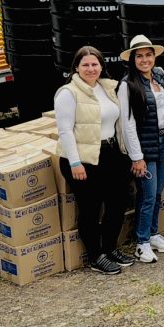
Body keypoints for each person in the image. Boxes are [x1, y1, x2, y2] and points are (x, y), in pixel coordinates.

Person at [54, 46, 131, 274]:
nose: (90, 68)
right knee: (90, 207)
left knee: (117, 203)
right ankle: (95, 256)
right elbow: (65, 131)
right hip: (83, 158)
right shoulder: (68, 93)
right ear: (76, 67)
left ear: (101, 66)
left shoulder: (108, 88)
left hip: (111, 152)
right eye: (85, 65)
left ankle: (109, 247)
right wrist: (75, 163)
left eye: (94, 64)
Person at [119, 35, 164, 264]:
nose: (145, 60)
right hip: (144, 147)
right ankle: (141, 243)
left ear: (154, 57)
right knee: (148, 195)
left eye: (148, 55)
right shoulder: (127, 85)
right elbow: (127, 123)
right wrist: (137, 157)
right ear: (132, 59)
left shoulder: (158, 77)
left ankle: (153, 233)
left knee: (158, 193)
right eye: (139, 56)